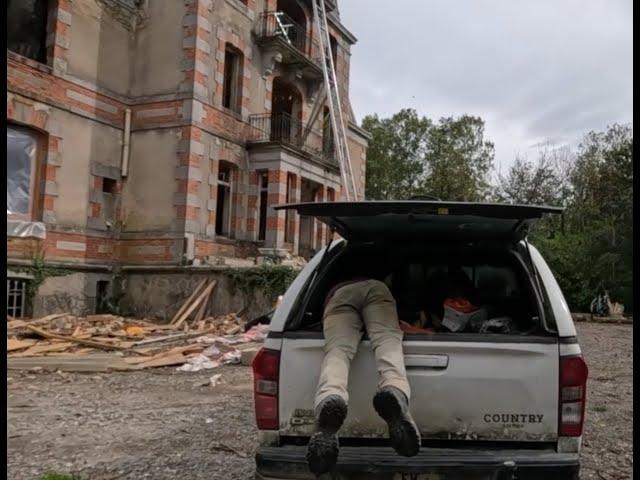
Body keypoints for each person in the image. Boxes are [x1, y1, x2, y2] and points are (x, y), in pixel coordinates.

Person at [306, 252, 420, 476]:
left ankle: (331, 397)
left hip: (338, 295)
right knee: (387, 341)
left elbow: (313, 301)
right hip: (376, 290)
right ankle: (394, 389)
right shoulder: (380, 272)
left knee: (338, 350)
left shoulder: (339, 259)